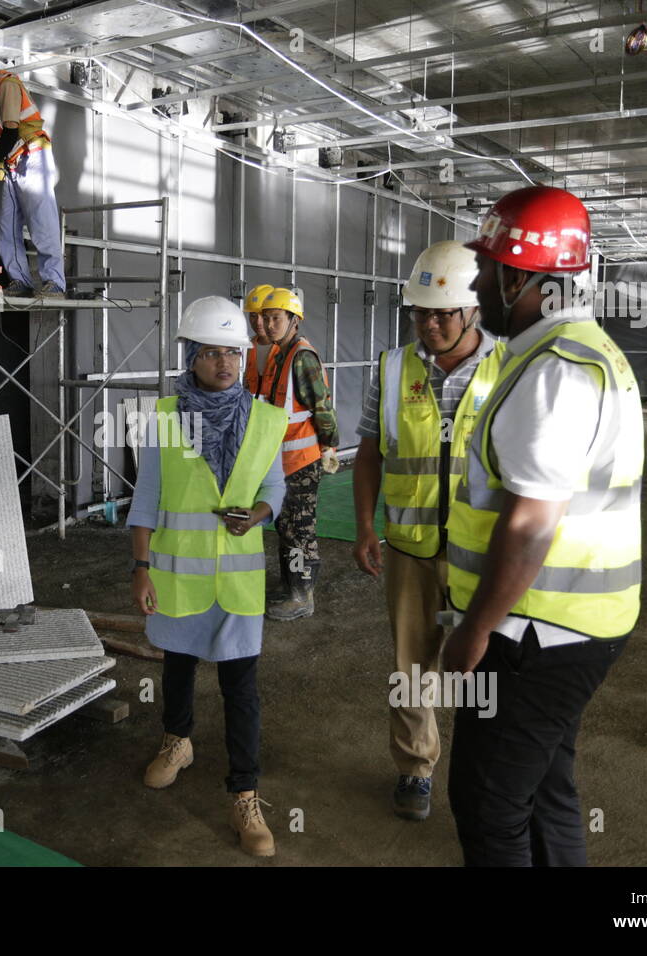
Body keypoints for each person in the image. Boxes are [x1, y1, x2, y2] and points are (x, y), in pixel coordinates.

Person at [443, 186, 644, 866]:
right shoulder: (582, 351)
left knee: (489, 806)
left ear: (521, 278)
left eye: (486, 268)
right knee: (547, 791)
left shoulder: (554, 370)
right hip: (573, 626)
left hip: (536, 634)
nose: (475, 282)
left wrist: (473, 631)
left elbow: (530, 526)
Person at [128, 296, 288, 858]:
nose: (226, 364)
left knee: (240, 686)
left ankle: (245, 792)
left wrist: (261, 515)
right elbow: (146, 498)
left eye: (235, 353)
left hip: (239, 582)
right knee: (177, 667)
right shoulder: (167, 418)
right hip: (177, 576)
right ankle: (177, 741)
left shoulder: (268, 419)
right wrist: (141, 568)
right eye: (213, 352)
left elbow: (275, 489)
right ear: (192, 357)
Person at [352, 240, 506, 822]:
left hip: (486, 556)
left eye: (443, 312)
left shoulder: (510, 366)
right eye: (421, 311)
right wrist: (366, 526)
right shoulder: (393, 368)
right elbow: (370, 451)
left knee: (485, 669)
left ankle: (489, 776)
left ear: (472, 311)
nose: (431, 322)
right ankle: (415, 769)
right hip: (410, 549)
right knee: (411, 669)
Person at [243, 287, 340, 620]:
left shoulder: (301, 356)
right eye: (265, 318)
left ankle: (301, 595)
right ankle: (291, 585)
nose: (268, 325)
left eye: (276, 319)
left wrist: (329, 445)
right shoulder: (279, 355)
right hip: (282, 461)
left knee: (297, 531)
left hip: (301, 461)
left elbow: (321, 406)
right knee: (286, 527)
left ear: (293, 321)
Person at [0, 43, 66, 297]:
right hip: (11, 163)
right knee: (6, 227)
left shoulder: (7, 84)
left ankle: (55, 283)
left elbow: (10, 131)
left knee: (42, 222)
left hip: (32, 156)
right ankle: (21, 281)